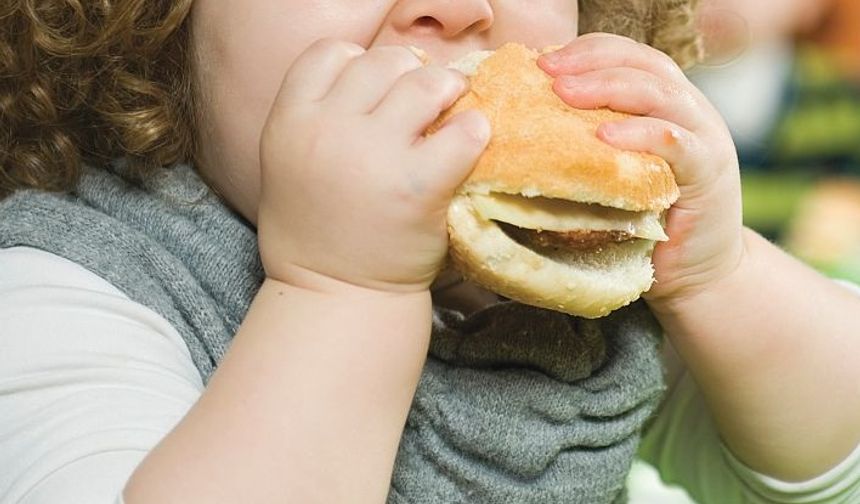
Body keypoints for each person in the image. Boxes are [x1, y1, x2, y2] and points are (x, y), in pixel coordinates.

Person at [1, 1, 859, 504]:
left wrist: (719, 275)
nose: (455, 7)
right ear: (160, 28)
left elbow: (827, 461)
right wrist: (344, 290)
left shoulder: (557, 271)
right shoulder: (62, 292)